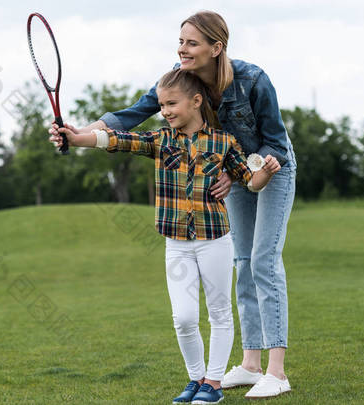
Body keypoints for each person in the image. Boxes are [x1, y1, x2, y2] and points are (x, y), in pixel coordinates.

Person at [49, 10, 296, 400]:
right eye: (180, 41)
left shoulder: (253, 79)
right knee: (243, 262)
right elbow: (131, 117)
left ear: (217, 48)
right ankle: (250, 364)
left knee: (264, 260)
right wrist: (80, 133)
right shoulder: (180, 80)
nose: (182, 50)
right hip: (224, 171)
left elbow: (275, 143)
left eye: (192, 43)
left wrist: (239, 171)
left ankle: (277, 371)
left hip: (267, 168)